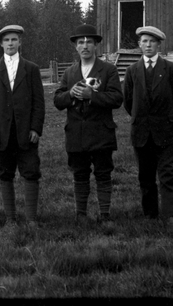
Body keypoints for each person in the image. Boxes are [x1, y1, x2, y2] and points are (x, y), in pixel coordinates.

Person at [52, 23, 123, 225]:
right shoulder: (70, 72)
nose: (85, 46)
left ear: (96, 45)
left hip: (101, 132)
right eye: (80, 42)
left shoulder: (108, 70)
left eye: (89, 42)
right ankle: (80, 214)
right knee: (80, 174)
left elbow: (117, 99)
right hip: (76, 133)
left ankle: (105, 215)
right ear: (75, 46)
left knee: (103, 173)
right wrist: (70, 95)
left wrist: (92, 95)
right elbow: (57, 100)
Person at [123, 25, 173, 228]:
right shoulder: (132, 71)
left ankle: (170, 215)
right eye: (144, 41)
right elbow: (128, 101)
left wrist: (168, 117)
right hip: (141, 131)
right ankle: (149, 214)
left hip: (166, 131)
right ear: (139, 45)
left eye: (152, 41)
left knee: (168, 173)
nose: (148, 45)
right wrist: (141, 118)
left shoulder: (170, 70)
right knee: (145, 175)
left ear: (159, 44)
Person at [0, 24, 45, 228]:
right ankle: (10, 218)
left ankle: (31, 219)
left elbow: (38, 102)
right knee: (5, 173)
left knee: (31, 172)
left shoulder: (31, 69)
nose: (10, 43)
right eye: (7, 40)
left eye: (14, 39)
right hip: (1, 134)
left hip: (26, 133)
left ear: (20, 42)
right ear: (1, 44)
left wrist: (35, 128)